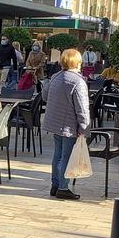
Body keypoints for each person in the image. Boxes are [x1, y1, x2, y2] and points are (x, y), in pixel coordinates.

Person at [42, 48, 92, 201]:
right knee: (66, 156)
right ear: (77, 62)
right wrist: (84, 128)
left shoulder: (55, 77)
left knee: (57, 155)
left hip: (55, 123)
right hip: (70, 125)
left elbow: (44, 95)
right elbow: (82, 109)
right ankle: (63, 187)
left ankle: (55, 185)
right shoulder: (78, 81)